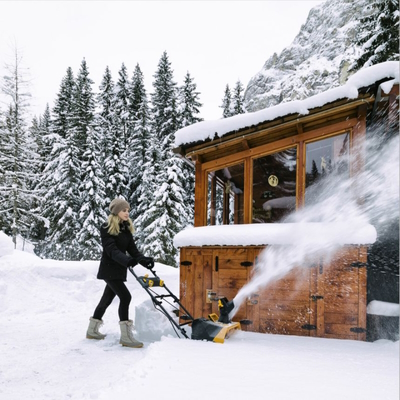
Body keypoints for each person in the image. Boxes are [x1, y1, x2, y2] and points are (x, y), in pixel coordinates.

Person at [86, 198, 154, 348]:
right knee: (125, 296)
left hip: (118, 269)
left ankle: (92, 330)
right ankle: (126, 337)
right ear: (116, 211)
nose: (127, 213)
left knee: (107, 299)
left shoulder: (126, 228)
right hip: (109, 269)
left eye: (128, 210)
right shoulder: (106, 227)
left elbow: (133, 250)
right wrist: (127, 260)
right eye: (124, 210)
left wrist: (144, 260)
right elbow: (111, 250)